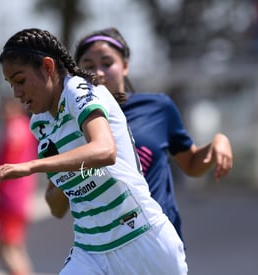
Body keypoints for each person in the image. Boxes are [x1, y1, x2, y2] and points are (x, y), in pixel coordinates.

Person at [0, 28, 188, 274]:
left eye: (20, 80)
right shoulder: (40, 123)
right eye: (10, 84)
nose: (16, 92)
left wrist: (30, 166)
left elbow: (104, 150)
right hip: (90, 251)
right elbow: (57, 206)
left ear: (48, 67)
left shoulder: (78, 89)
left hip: (141, 240)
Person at [44, 27, 233, 243]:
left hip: (157, 242)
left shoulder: (158, 107)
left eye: (107, 63)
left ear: (125, 66)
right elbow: (55, 207)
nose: (98, 73)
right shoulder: (68, 122)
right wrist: (78, 168)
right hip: (105, 246)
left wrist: (218, 142)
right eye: (88, 66)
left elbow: (191, 164)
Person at [0, 96, 38, 275]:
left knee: (5, 248)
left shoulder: (14, 129)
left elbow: (8, 164)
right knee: (14, 246)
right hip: (19, 196)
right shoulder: (25, 126)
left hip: (10, 197)